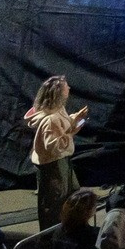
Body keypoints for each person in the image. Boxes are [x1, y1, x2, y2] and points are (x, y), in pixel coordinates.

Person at [21, 75, 89, 231]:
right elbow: (53, 145)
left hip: (61, 161)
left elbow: (61, 127)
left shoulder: (57, 110)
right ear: (58, 92)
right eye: (66, 86)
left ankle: (67, 228)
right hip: (53, 164)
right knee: (54, 202)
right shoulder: (51, 119)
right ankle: (51, 237)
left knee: (70, 194)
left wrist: (75, 118)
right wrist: (71, 133)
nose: (69, 88)